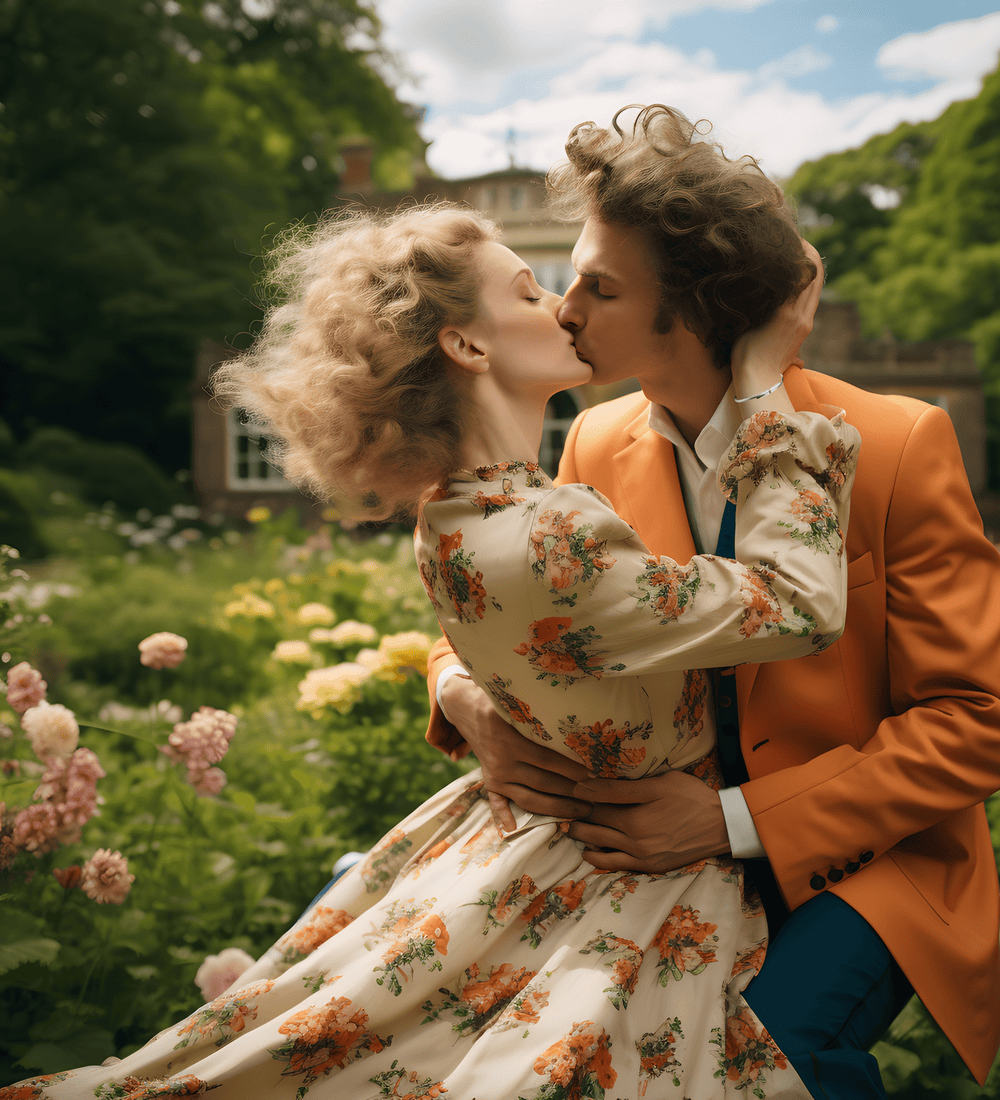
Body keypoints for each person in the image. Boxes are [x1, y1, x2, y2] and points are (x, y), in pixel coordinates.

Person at [18, 204, 858, 1098]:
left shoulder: (456, 514)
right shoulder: (549, 531)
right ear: (466, 347)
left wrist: (459, 690)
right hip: (631, 865)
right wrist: (764, 383)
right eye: (533, 291)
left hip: (530, 837)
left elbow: (535, 638)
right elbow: (799, 603)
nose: (567, 309)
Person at [426, 105, 1000, 1098]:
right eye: (569, 276)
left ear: (699, 310)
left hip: (873, 857)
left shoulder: (893, 441)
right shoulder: (591, 440)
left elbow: (986, 723)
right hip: (642, 850)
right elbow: (516, 607)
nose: (564, 307)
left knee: (759, 1054)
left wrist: (728, 820)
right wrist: (458, 691)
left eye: (600, 285)